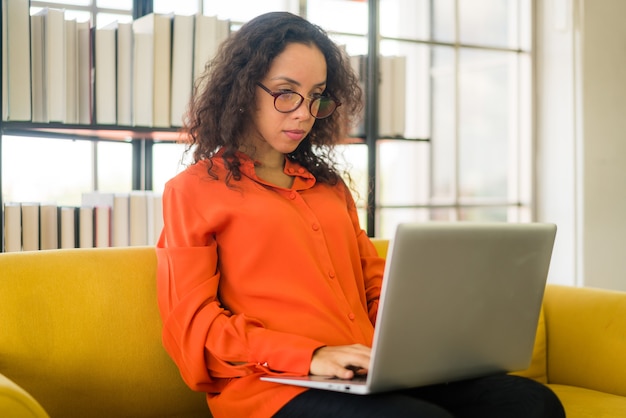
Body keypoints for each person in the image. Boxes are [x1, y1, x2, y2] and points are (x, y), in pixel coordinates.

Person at [156, 11, 565, 418]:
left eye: (317, 96)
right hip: (275, 389)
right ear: (243, 90)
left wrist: (433, 339)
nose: (303, 112)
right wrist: (312, 354)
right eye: (286, 93)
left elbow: (373, 289)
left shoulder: (329, 188)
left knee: (531, 403)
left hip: (366, 371)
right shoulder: (192, 191)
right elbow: (194, 326)